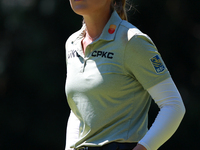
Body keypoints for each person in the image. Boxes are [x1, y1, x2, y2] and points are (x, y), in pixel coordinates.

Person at [65, 0, 186, 150]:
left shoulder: (132, 40)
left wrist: (144, 147)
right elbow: (78, 109)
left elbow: (173, 105)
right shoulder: (72, 43)